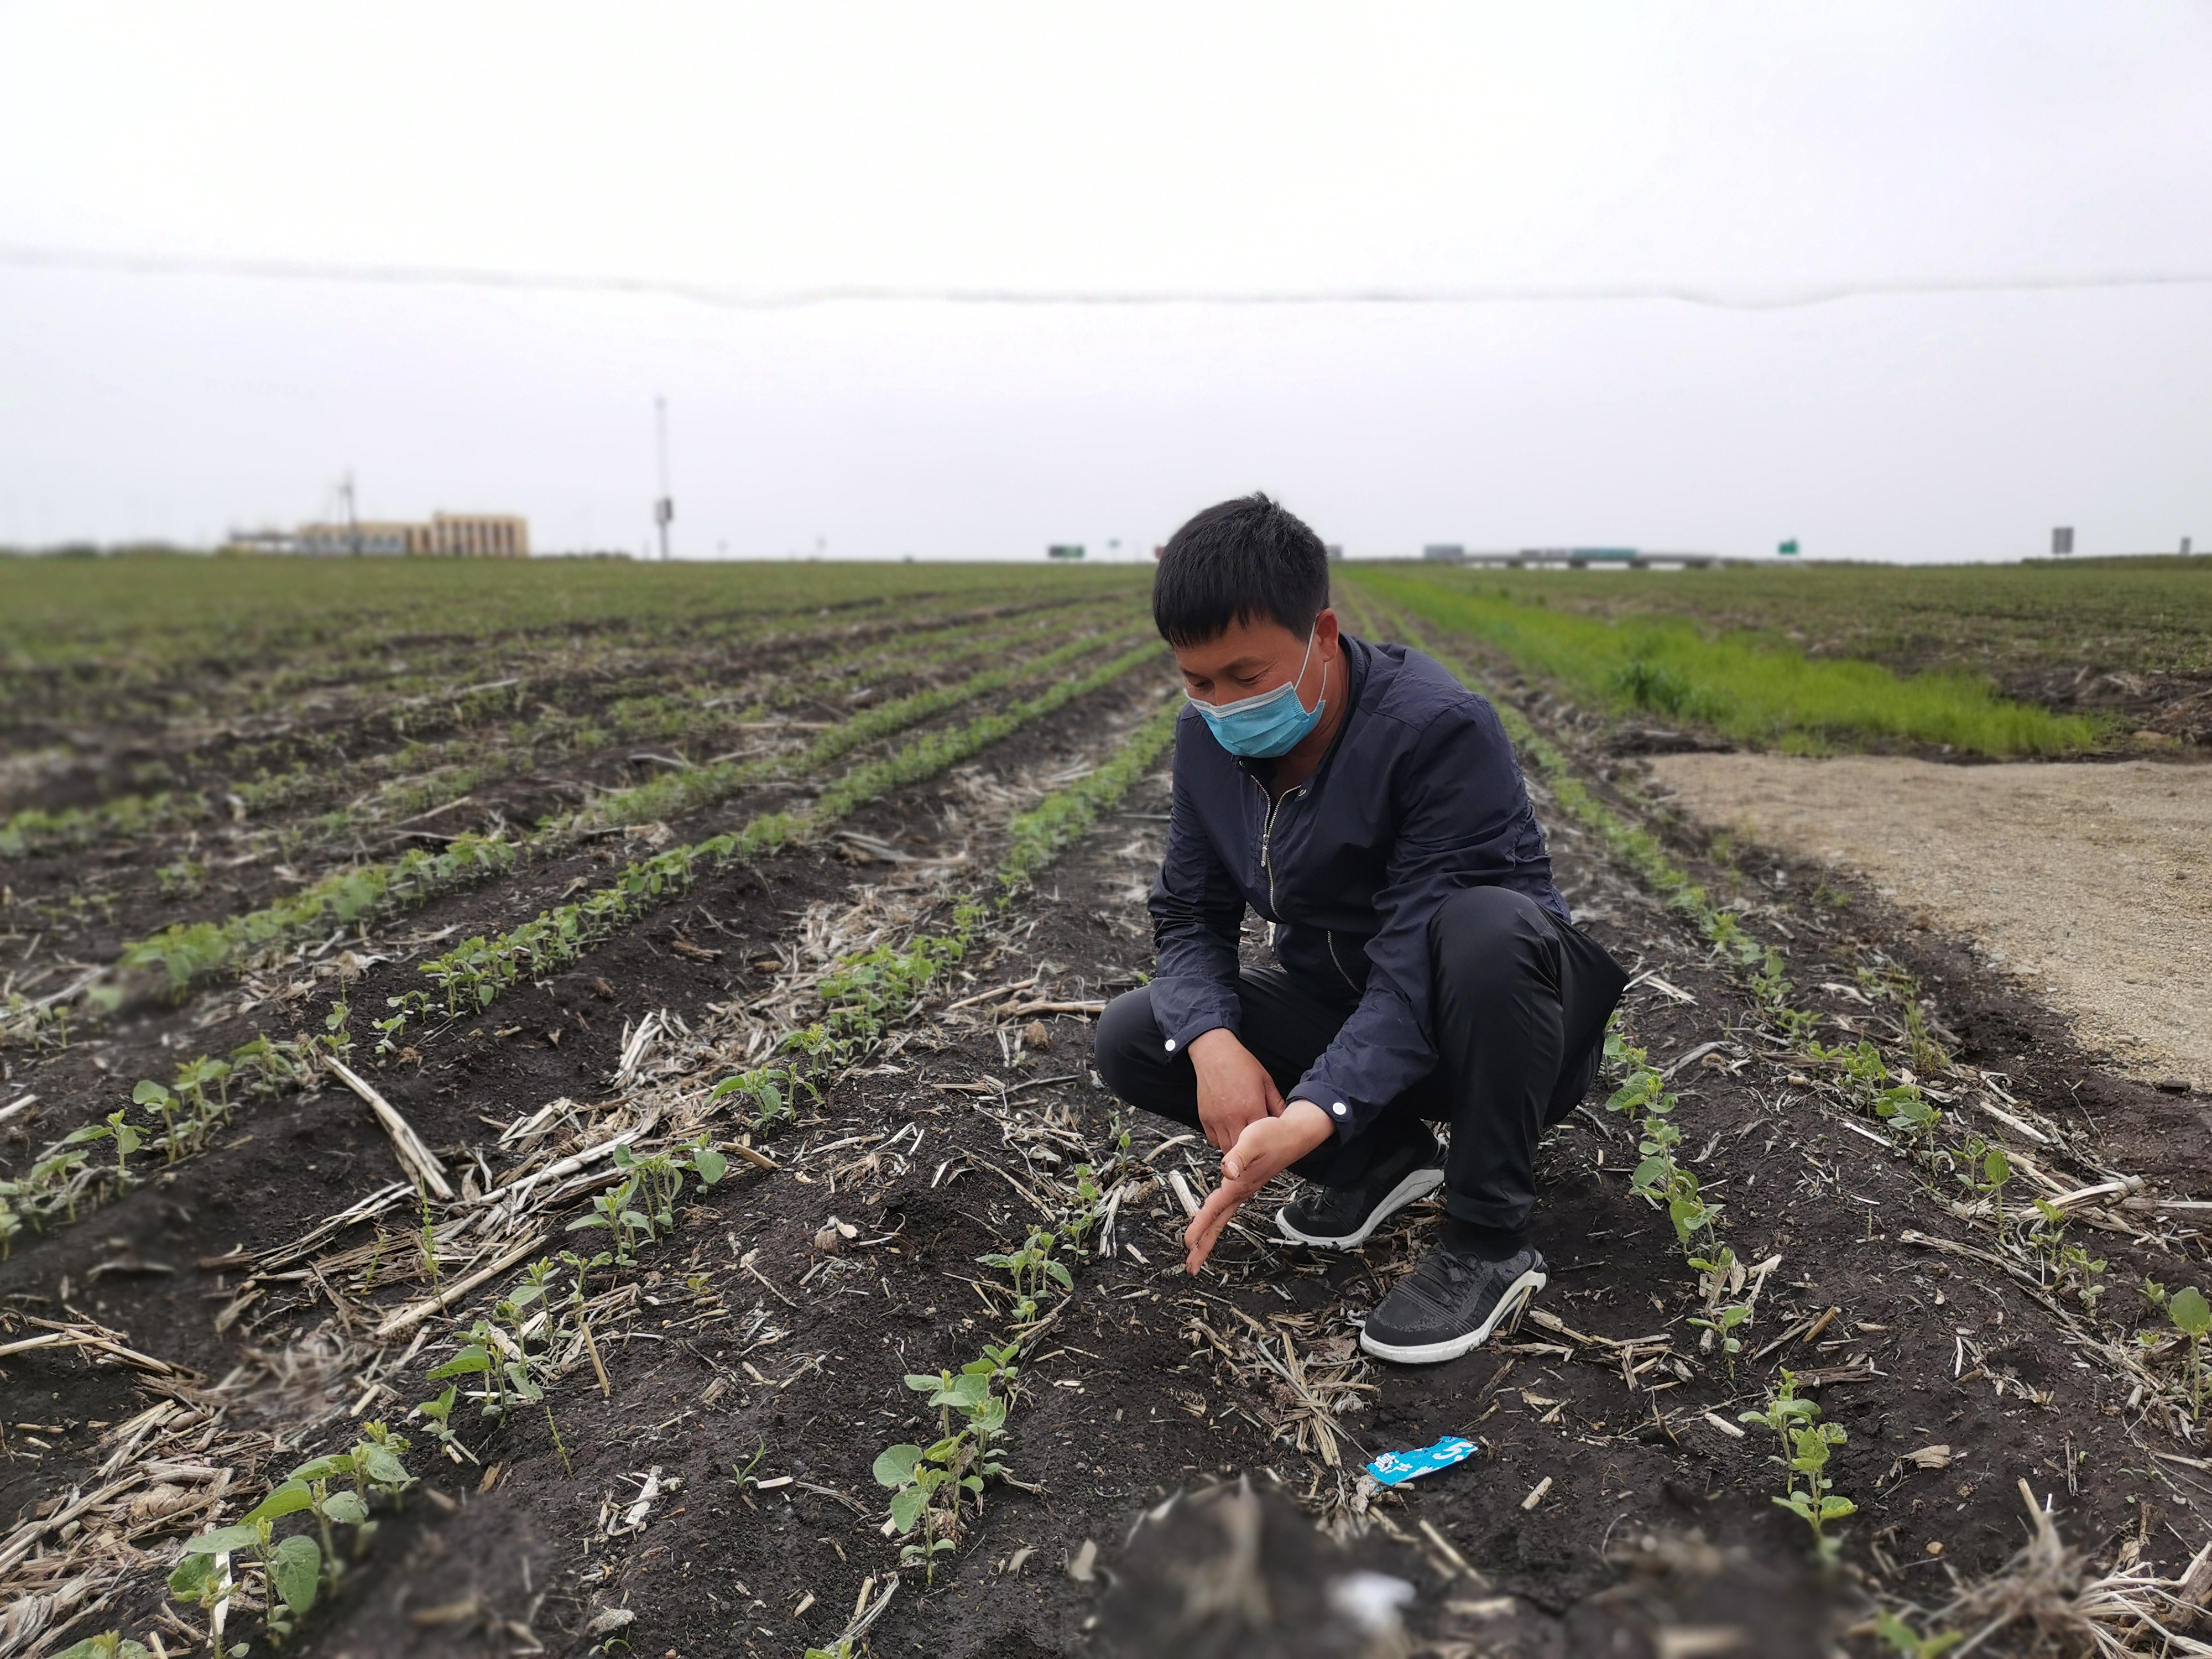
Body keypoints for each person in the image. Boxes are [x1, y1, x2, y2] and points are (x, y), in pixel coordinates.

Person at [1093, 495, 1626, 1364]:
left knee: (1487, 926)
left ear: (1323, 636)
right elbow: (1190, 912)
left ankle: (1489, 1242)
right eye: (1197, 681)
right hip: (1340, 1008)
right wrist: (1212, 1041)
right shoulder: (1204, 744)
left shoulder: (1437, 732)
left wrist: (1311, 1112)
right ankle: (1380, 1164)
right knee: (1136, 1034)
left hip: (1489, 1033)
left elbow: (1418, 967)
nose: (1222, 704)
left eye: (1247, 676)